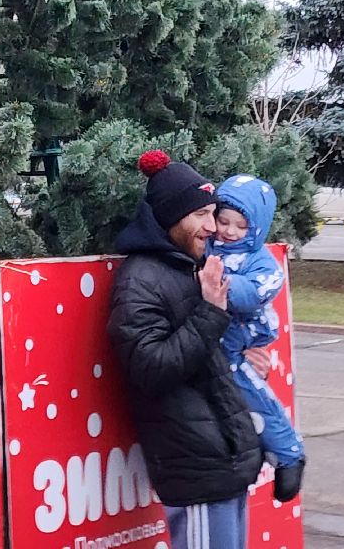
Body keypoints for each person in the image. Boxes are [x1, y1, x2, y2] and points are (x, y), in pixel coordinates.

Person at [108, 150, 263, 549]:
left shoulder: (184, 268)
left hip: (223, 465)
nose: (213, 227)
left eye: (214, 214)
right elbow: (151, 368)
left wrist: (239, 348)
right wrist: (211, 311)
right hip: (198, 472)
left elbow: (202, 358)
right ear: (171, 216)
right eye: (202, 215)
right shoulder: (140, 279)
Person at [210, 175, 305, 502]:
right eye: (223, 221)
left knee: (248, 388)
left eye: (240, 226)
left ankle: (288, 451)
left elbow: (257, 291)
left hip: (243, 328)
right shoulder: (208, 244)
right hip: (217, 329)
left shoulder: (259, 259)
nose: (230, 231)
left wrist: (219, 287)